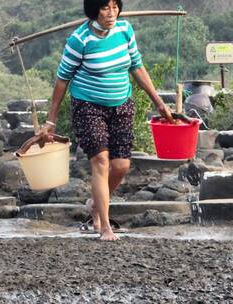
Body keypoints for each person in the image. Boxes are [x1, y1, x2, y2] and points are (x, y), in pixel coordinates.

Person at [42, 0, 173, 241]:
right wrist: (50, 122)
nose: (111, 13)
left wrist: (159, 102)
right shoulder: (79, 40)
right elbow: (62, 81)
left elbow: (137, 67)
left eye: (115, 7)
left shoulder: (125, 30)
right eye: (104, 8)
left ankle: (96, 204)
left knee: (121, 165)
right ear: (94, 11)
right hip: (88, 106)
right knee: (101, 161)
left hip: (122, 104)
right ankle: (104, 226)